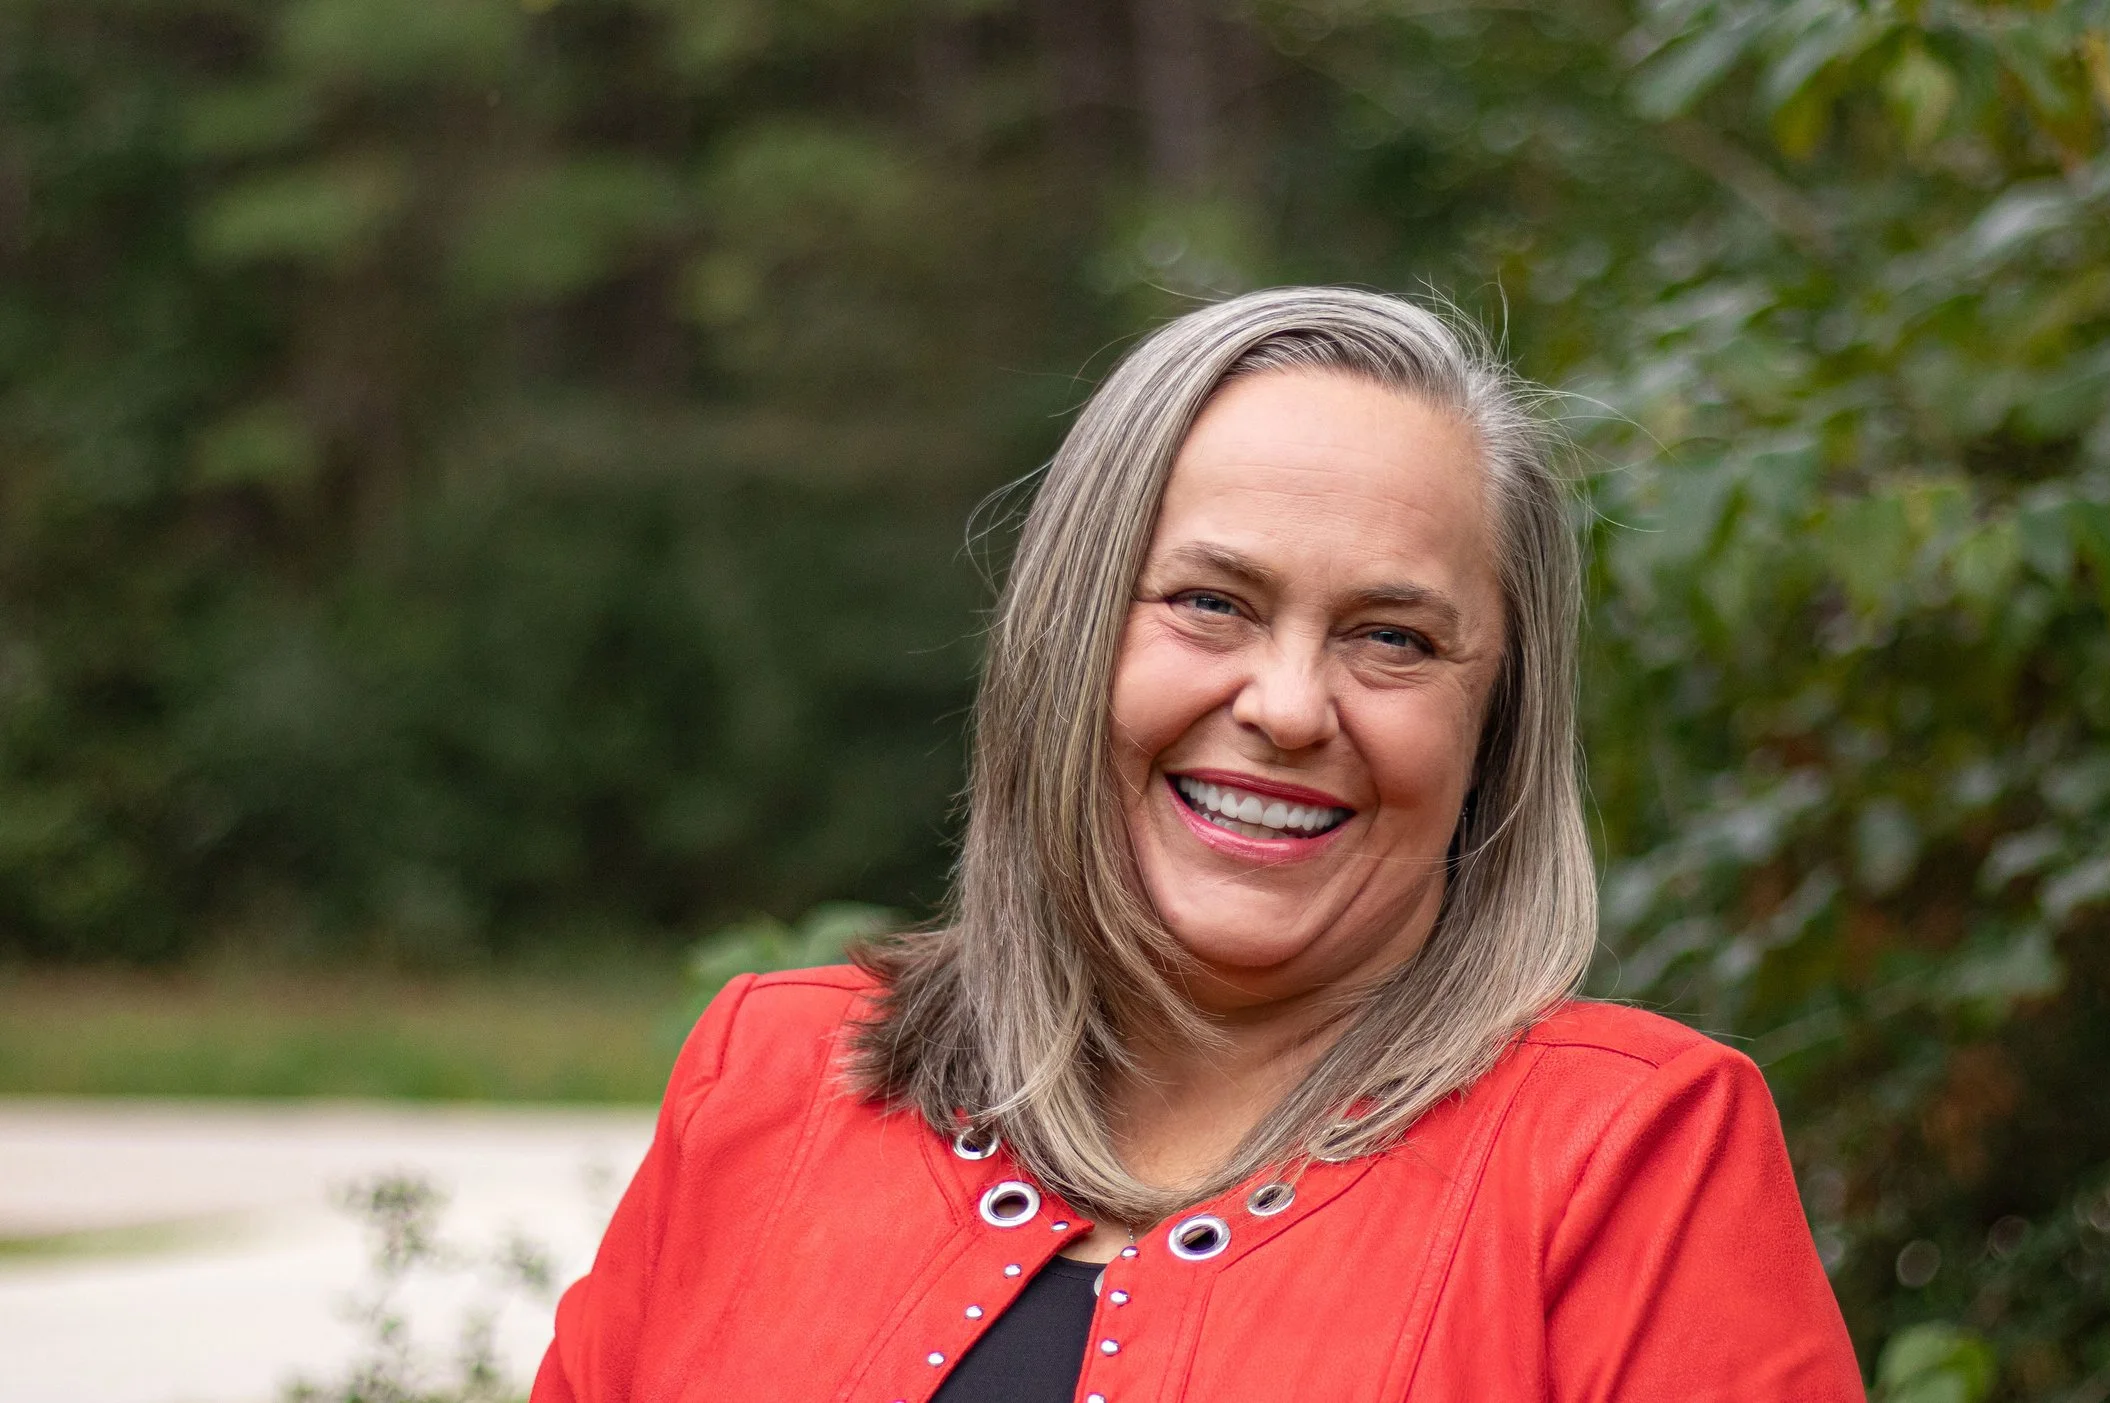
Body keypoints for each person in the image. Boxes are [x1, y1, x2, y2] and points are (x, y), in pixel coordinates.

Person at [532, 287, 1863, 1403]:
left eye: (1393, 638)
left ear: (1494, 726)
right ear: (1071, 636)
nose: (1287, 708)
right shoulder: (769, 1079)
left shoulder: (1630, 1155)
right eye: (1212, 603)